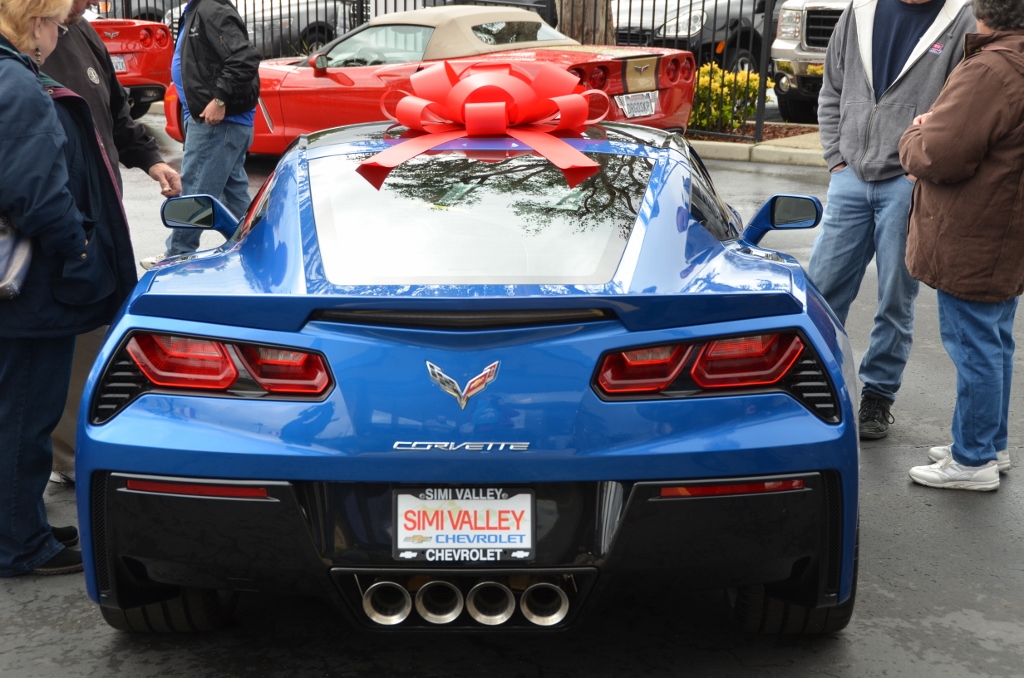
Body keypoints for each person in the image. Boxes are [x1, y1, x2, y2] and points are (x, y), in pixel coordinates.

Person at [0, 0, 136, 576]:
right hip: (31, 288)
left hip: (18, 283)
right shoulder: (16, 83)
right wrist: (79, 250)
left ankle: (19, 525)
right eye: (58, 23)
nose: (63, 33)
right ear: (36, 23)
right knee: (24, 417)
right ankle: (20, 544)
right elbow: (36, 194)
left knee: (16, 410)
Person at [809, 0, 975, 440]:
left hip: (908, 182)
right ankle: (814, 386)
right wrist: (836, 158)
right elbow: (832, 87)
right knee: (821, 293)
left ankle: (878, 396)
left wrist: (919, 169)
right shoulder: (860, 10)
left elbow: (962, 106)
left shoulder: (960, 18)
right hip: (849, 176)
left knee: (895, 299)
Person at [42, 0, 182, 485]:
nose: (88, 4)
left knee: (95, 338)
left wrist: (151, 159)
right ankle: (65, 462)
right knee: (57, 349)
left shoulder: (83, 33)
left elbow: (115, 113)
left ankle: (78, 456)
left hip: (98, 221)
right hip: (56, 230)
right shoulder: (21, 47)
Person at [899, 0, 1024, 490]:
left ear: (982, 12)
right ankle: (989, 445)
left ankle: (972, 461)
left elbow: (941, 155)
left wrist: (914, 134)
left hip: (976, 232)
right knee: (994, 342)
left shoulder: (991, 69)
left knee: (975, 347)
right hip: (1004, 230)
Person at [139, 0, 259, 270]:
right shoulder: (198, 9)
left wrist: (220, 99)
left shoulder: (209, 8)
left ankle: (177, 256)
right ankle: (258, 249)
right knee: (233, 194)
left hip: (217, 123)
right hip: (217, 122)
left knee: (195, 191)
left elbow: (244, 57)